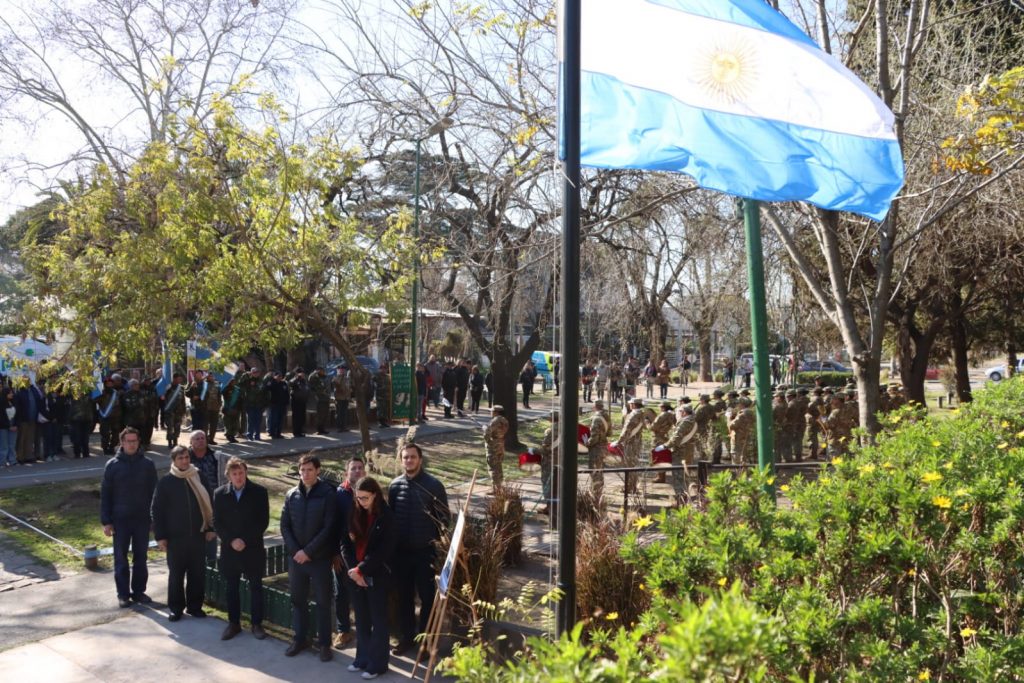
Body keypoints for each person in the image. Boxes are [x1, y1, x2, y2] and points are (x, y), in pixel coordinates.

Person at [388, 443, 449, 656]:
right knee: (404, 598)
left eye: (412, 457)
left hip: (425, 553)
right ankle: (407, 638)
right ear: (401, 460)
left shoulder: (433, 485)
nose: (409, 461)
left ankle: (424, 642)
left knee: (426, 598)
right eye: (405, 457)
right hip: (401, 555)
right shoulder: (395, 486)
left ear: (420, 460)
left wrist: (438, 542)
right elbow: (390, 519)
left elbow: (444, 518)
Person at [281, 454, 337, 661]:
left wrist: (308, 552)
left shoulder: (328, 494)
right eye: (302, 470)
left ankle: (324, 644)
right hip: (297, 559)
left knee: (323, 601)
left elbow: (328, 527)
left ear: (318, 470)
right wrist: (297, 551)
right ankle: (300, 638)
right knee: (298, 600)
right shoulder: (291, 494)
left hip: (319, 559)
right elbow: (284, 525)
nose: (305, 474)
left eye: (310, 470)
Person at [342, 476, 397, 681]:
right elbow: (344, 543)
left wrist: (362, 570)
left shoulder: (387, 516)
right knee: (362, 620)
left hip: (376, 575)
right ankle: (362, 659)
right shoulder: (354, 511)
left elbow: (384, 550)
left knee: (378, 621)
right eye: (358, 498)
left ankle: (378, 664)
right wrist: (353, 571)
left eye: (365, 498)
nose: (361, 502)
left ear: (375, 495)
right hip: (356, 576)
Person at [152, 445, 215, 621]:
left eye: (187, 457)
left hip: (198, 535)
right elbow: (157, 510)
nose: (185, 461)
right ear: (174, 461)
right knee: (176, 575)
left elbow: (209, 501)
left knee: (197, 573)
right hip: (175, 538)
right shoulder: (166, 482)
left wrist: (210, 528)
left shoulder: (198, 476)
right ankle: (176, 608)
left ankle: (195, 607)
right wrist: (160, 536)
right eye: (180, 458)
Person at [100, 427, 158, 608]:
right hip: (120, 520)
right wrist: (106, 521)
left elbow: (155, 493)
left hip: (142, 520)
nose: (132, 444)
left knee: (141, 557)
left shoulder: (147, 464)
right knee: (121, 558)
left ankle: (139, 591)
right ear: (122, 443)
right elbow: (106, 494)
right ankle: (123, 594)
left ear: (138, 442)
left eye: (135, 441)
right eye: (128, 441)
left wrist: (154, 519)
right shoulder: (112, 465)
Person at [213, 456, 270, 641]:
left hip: (252, 548)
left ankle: (256, 624)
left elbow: (263, 521)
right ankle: (234, 623)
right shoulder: (220, 493)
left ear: (246, 472)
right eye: (234, 473)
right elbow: (217, 522)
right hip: (230, 551)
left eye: (241, 473)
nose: (238, 477)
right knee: (232, 588)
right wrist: (231, 541)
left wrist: (245, 539)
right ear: (228, 475)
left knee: (255, 587)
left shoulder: (259, 492)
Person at [332, 457, 366, 650]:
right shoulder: (338, 495)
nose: (357, 471)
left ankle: (365, 629)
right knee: (341, 593)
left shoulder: (370, 492)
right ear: (347, 473)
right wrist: (334, 553)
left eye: (360, 468)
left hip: (364, 553)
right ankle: (343, 630)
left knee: (363, 591)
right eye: (354, 468)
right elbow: (332, 526)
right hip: (342, 553)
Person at [189, 430, 222, 564]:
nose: (201, 440)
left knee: (211, 541)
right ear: (191, 442)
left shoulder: (215, 457)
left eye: (203, 438)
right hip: (192, 505)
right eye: (197, 439)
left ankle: (211, 571)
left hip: (212, 504)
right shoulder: (185, 458)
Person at [613, 397, 647, 494]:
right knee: (634, 464)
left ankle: (629, 487)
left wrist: (619, 441)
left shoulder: (633, 415)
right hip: (637, 442)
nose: (629, 405)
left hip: (631, 443)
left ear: (634, 405)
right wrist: (626, 415)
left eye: (631, 404)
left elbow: (626, 430)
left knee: (629, 465)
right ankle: (633, 486)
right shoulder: (642, 413)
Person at [585, 400, 610, 501]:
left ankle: (596, 495)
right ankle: (599, 493)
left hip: (596, 448)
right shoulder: (606, 416)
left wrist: (587, 443)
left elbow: (594, 436)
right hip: (604, 446)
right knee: (600, 471)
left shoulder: (596, 418)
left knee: (595, 471)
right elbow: (610, 432)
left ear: (595, 406)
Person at [93, 377, 121, 457]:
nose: (110, 384)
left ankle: (112, 447)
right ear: (105, 384)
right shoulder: (101, 392)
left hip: (115, 416)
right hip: (104, 416)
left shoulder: (116, 393)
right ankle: (105, 448)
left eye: (111, 383)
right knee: (105, 434)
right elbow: (95, 401)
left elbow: (120, 404)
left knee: (115, 433)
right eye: (108, 383)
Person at [483, 405, 509, 491]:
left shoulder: (494, 421)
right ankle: (500, 485)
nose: (491, 412)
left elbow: (487, 433)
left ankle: (495, 489)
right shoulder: (505, 420)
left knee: (493, 467)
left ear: (496, 412)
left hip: (493, 446)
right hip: (501, 444)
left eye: (492, 411)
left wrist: (485, 430)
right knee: (498, 466)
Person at [163, 372, 187, 447]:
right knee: (170, 427)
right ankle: (170, 442)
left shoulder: (181, 388)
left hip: (178, 411)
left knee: (177, 427)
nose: (180, 380)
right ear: (174, 378)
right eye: (179, 378)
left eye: (181, 378)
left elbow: (183, 400)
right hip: (170, 411)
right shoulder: (168, 387)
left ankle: (175, 441)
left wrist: (184, 410)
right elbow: (163, 398)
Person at [266, 371, 290, 439]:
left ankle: (278, 433)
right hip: (274, 404)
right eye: (278, 376)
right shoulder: (272, 383)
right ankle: (273, 433)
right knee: (274, 419)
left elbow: (286, 393)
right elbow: (267, 388)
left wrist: (287, 402)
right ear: (274, 376)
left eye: (281, 376)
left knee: (280, 419)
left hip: (282, 405)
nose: (279, 377)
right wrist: (272, 379)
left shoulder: (283, 383)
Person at [309, 367, 331, 435]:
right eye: (321, 370)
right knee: (320, 415)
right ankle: (319, 429)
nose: (323, 372)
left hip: (326, 398)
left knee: (325, 415)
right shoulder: (315, 377)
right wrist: (315, 372)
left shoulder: (326, 377)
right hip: (319, 398)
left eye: (323, 370)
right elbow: (310, 379)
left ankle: (323, 429)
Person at [288, 368, 309, 438]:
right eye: (300, 373)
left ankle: (300, 431)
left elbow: (306, 389)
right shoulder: (294, 380)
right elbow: (290, 383)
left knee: (302, 417)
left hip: (303, 401)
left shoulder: (303, 380)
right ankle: (296, 432)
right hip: (296, 401)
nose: (302, 374)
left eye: (302, 373)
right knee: (296, 417)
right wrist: (296, 377)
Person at [221, 376, 242, 443]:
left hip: (236, 409)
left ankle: (232, 436)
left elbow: (240, 399)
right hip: (228, 409)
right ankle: (229, 436)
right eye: (231, 381)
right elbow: (222, 392)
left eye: (234, 381)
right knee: (228, 424)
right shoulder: (226, 389)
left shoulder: (237, 389)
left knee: (236, 424)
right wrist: (226, 385)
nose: (233, 382)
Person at [0, 385, 17, 466]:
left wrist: (15, 425)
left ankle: (12, 460)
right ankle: (2, 462)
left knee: (12, 445)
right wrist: (8, 426)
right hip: (3, 427)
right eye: (10, 393)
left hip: (13, 427)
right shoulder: (1, 403)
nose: (12, 394)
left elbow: (17, 414)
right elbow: (1, 417)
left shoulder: (13, 402)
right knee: (4, 446)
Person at [333, 366, 353, 432]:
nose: (342, 371)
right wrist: (341, 376)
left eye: (343, 370)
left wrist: (349, 394)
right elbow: (336, 385)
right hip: (339, 398)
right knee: (339, 413)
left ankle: (344, 426)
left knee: (344, 413)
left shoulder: (347, 378)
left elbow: (349, 387)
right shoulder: (335, 378)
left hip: (346, 398)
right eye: (340, 370)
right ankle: (339, 427)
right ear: (338, 370)